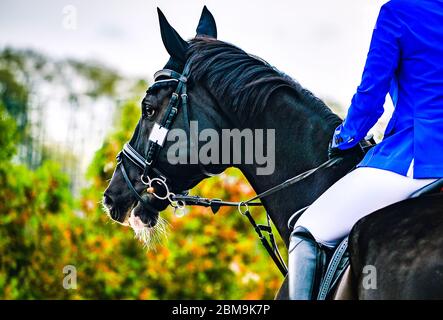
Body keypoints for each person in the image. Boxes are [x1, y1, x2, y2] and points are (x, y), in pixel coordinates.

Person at [289, 0, 443, 300]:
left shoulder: (399, 12)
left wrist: (344, 139)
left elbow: (371, 96)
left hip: (419, 157)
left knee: (307, 231)